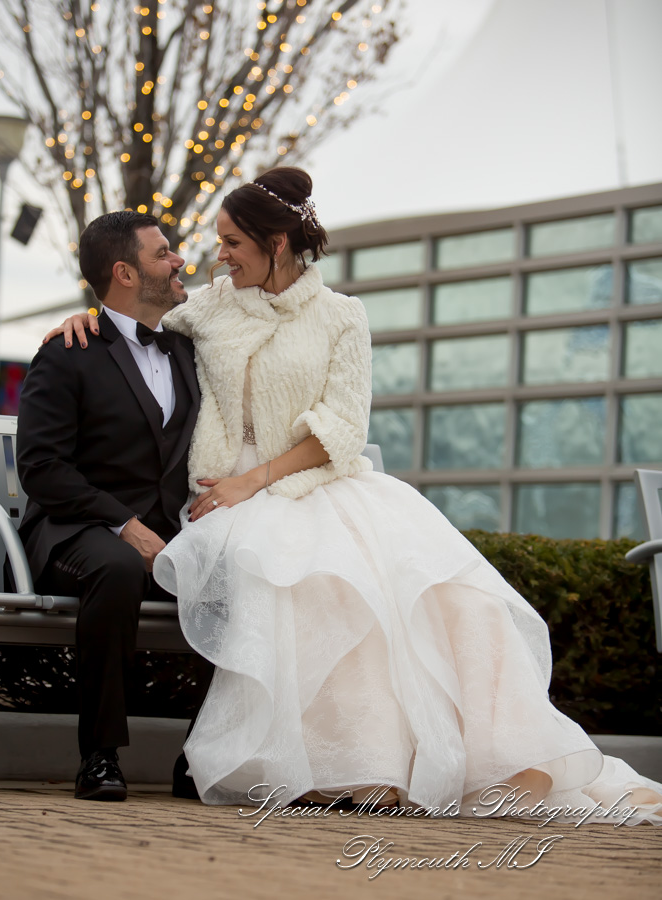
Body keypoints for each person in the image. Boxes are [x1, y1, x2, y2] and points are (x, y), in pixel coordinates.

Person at [50, 168, 662, 823]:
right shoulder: (211, 305)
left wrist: (256, 480)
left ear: (276, 243)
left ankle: (397, 765)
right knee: (302, 574)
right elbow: (126, 323)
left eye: (231, 242)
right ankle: (318, 767)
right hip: (221, 498)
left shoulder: (343, 317)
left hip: (307, 481)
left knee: (435, 593)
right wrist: (75, 324)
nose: (217, 255)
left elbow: (343, 428)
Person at [17, 210, 210, 802]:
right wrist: (124, 525)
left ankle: (200, 758)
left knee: (240, 575)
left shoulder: (190, 348)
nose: (178, 260)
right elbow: (42, 469)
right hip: (74, 532)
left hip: (168, 533)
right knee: (119, 566)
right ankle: (99, 757)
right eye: (163, 253)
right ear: (124, 272)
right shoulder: (67, 353)